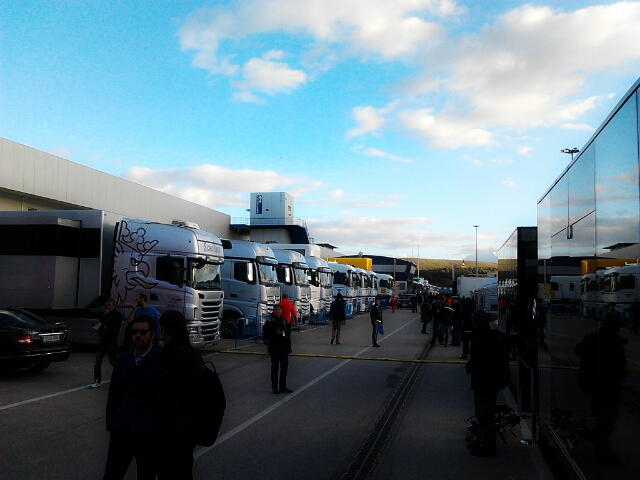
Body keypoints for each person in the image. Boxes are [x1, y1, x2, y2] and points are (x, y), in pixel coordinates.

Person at [103, 315, 162, 480]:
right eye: (135, 332)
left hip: (146, 433)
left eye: (143, 332)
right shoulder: (123, 358)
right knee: (112, 474)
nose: (138, 335)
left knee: (146, 475)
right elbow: (113, 393)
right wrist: (111, 421)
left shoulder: (160, 360)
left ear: (152, 334)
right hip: (121, 428)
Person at [574, 302, 628, 467]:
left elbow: (578, 350)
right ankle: (602, 451)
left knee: (601, 418)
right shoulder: (614, 343)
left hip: (594, 386)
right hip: (608, 388)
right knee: (607, 422)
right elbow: (621, 369)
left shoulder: (592, 339)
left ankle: (601, 446)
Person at [155, 310, 206, 479]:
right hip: (188, 428)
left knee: (170, 470)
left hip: (174, 430)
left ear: (164, 329)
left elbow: (169, 397)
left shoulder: (174, 355)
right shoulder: (191, 352)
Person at [464, 310, 510, 457]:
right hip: (494, 380)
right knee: (484, 411)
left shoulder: (480, 338)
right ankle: (480, 439)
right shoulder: (495, 336)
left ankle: (487, 446)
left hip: (484, 381)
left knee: (484, 414)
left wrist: (469, 367)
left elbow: (478, 360)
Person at [91, 298, 125, 389]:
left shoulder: (117, 315)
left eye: (109, 305)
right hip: (103, 339)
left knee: (113, 360)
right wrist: (96, 323)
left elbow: (116, 324)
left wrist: (108, 315)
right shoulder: (103, 315)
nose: (108, 307)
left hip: (112, 340)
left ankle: (120, 378)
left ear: (114, 306)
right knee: (98, 360)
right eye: (106, 305)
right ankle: (97, 380)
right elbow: (100, 325)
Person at [262, 305, 293, 394]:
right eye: (276, 310)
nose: (277, 311)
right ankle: (274, 387)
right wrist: (275, 333)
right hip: (274, 348)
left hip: (283, 348)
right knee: (275, 367)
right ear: (273, 311)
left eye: (279, 309)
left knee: (285, 367)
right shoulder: (270, 321)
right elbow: (265, 335)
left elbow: (287, 335)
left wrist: (289, 347)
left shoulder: (283, 320)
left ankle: (283, 386)